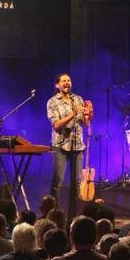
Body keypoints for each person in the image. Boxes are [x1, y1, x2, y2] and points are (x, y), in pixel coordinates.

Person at [47, 73, 91, 216]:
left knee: (77, 182)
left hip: (78, 145)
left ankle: (74, 216)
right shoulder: (52, 102)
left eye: (69, 80)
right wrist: (73, 113)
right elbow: (57, 126)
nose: (67, 83)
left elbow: (86, 123)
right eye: (63, 81)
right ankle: (53, 215)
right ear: (57, 85)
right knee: (58, 181)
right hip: (61, 145)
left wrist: (89, 114)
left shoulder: (78, 99)